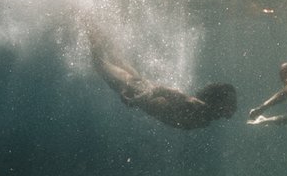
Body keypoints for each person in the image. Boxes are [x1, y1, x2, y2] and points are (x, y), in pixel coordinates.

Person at [89, 28, 237, 129]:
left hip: (140, 86)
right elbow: (161, 90)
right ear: (219, 102)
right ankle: (89, 22)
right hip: (136, 87)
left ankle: (95, 26)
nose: (235, 107)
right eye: (231, 103)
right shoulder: (195, 106)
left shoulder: (205, 121)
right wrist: (137, 99)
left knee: (116, 59)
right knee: (99, 63)